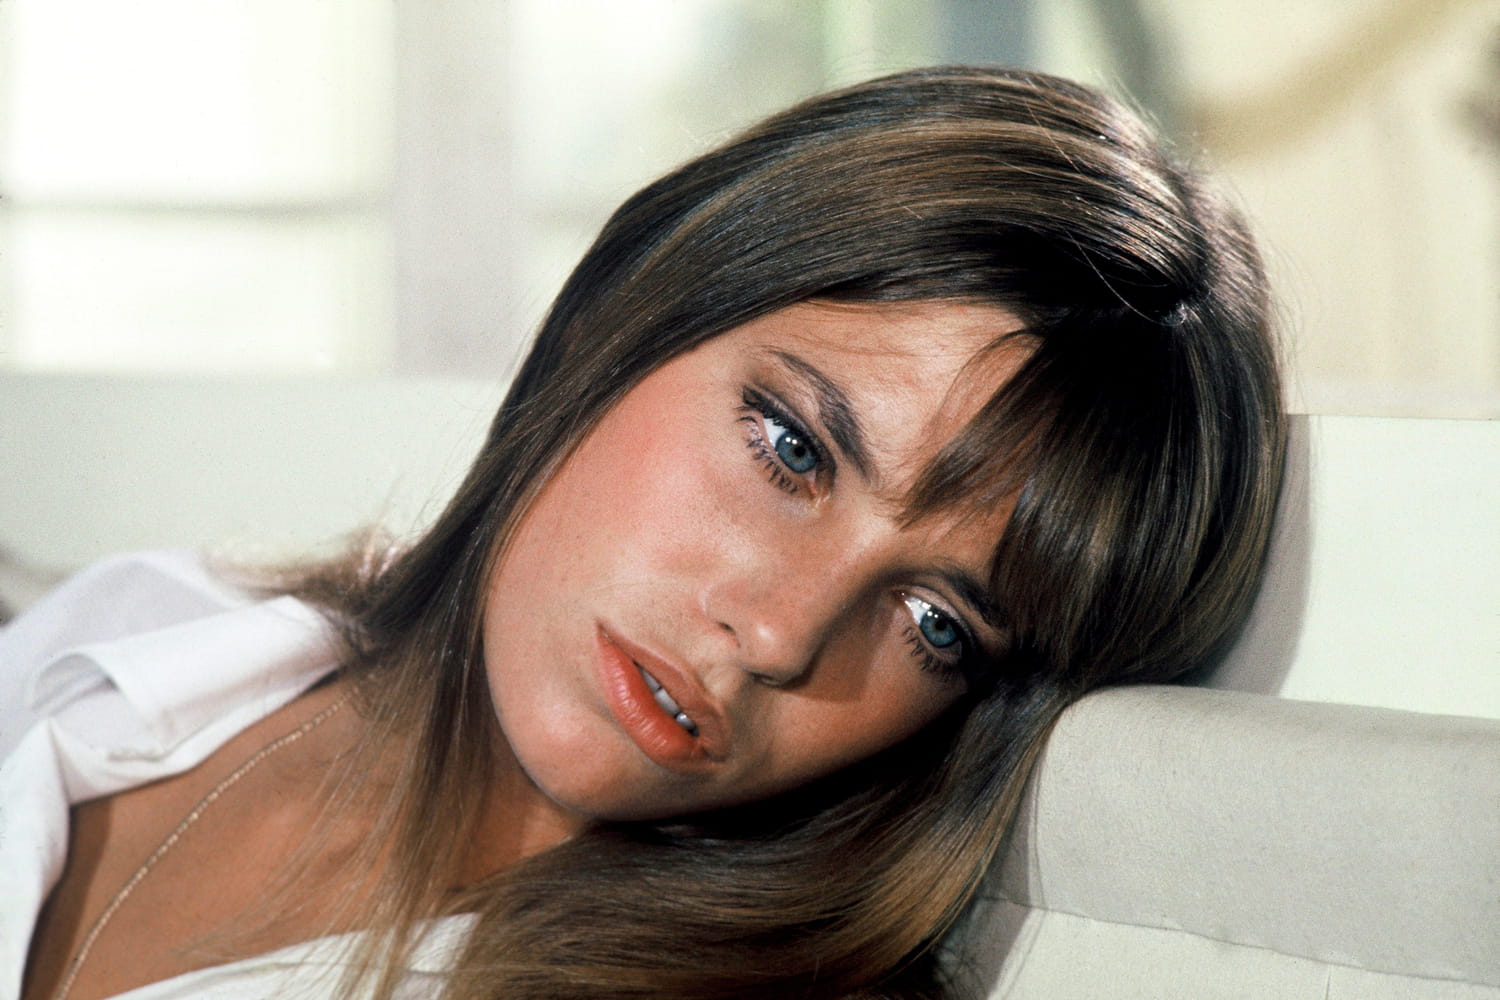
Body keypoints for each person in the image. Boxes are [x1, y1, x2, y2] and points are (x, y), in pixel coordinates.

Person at [3, 66, 1284, 1000]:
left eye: (935, 623)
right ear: (628, 313)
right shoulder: (147, 628)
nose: (779, 636)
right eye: (794, 449)